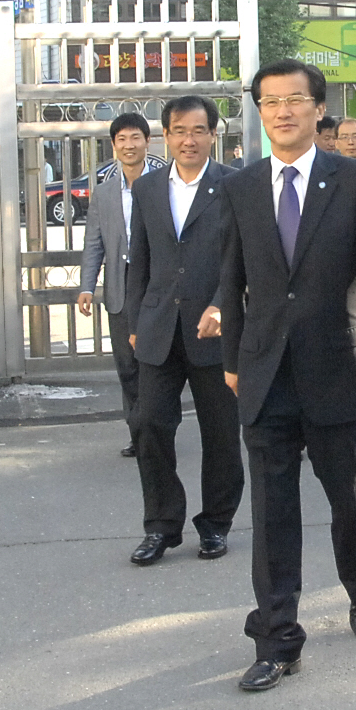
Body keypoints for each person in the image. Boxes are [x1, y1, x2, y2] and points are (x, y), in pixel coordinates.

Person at [214, 59, 356, 692]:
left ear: (317, 108)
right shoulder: (241, 188)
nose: (283, 112)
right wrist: (234, 362)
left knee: (351, 502)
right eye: (270, 102)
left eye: (295, 100)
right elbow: (232, 280)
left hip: (339, 369)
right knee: (272, 513)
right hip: (266, 375)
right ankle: (277, 640)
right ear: (260, 112)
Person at [123, 95, 243, 566]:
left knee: (220, 433)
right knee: (149, 424)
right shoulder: (149, 188)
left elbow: (242, 259)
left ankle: (215, 524)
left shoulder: (233, 185)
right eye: (179, 131)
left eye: (198, 130)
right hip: (157, 329)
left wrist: (222, 305)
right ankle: (161, 526)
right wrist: (135, 321)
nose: (188, 139)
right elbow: (140, 259)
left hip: (215, 332)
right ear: (166, 136)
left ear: (213, 134)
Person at [78, 113, 167, 457]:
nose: (129, 146)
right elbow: (94, 243)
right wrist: (87, 286)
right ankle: (139, 433)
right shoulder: (103, 193)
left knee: (155, 363)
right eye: (122, 140)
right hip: (120, 283)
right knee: (127, 365)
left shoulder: (163, 182)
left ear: (147, 142)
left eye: (135, 138)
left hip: (157, 283)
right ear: (114, 145)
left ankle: (158, 429)